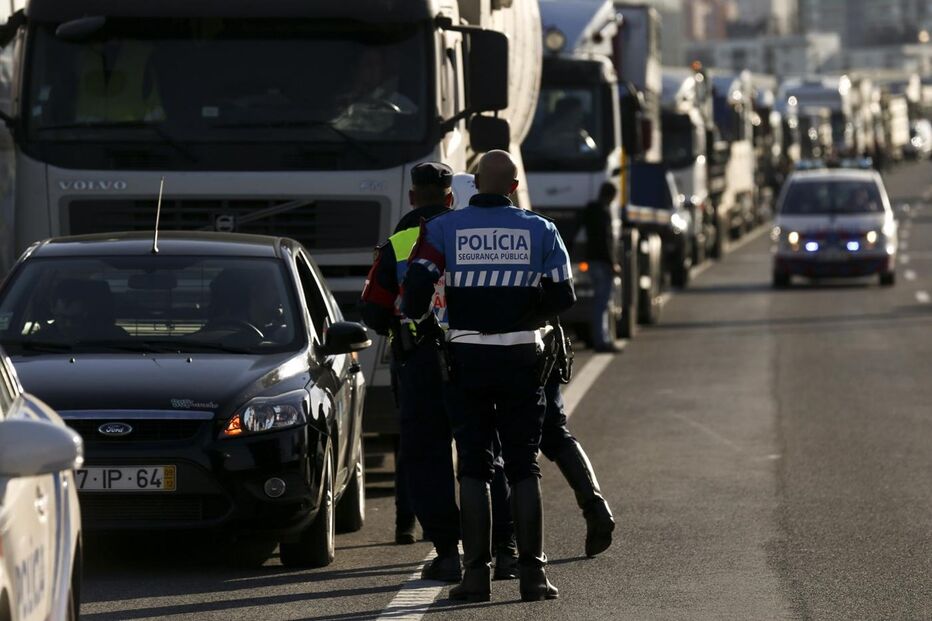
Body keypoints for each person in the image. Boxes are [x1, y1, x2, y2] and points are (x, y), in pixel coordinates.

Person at [403, 150, 576, 602]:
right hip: (521, 358)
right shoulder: (542, 229)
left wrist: (430, 322)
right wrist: (525, 317)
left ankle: (476, 577)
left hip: (465, 358)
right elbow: (563, 295)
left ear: (475, 184)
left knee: (474, 466)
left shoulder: (443, 228)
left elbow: (416, 289)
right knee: (523, 465)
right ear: (514, 188)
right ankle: (533, 576)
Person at [359, 162, 462, 580]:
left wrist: (401, 326)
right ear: (451, 198)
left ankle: (431, 539)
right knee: (481, 455)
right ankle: (500, 548)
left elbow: (372, 310)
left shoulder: (398, 241)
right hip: (473, 358)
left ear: (412, 197)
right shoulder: (467, 235)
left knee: (421, 451)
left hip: (418, 361)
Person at [582, 183, 622, 353]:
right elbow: (606, 240)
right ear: (610, 196)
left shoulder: (589, 210)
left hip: (591, 260)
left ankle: (600, 339)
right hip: (603, 263)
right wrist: (613, 263)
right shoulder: (604, 213)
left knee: (598, 303)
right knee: (602, 304)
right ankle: (602, 341)